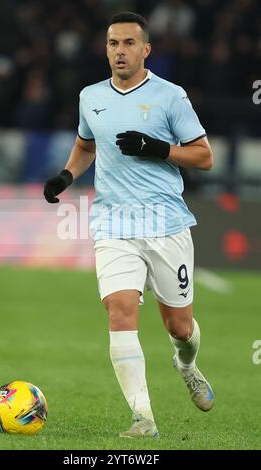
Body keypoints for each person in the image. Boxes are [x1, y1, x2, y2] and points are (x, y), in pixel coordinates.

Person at [44, 11, 214, 439]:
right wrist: (66, 176)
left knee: (180, 327)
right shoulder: (90, 96)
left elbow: (204, 156)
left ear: (146, 50)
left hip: (166, 223)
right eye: (113, 44)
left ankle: (187, 364)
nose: (120, 51)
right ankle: (144, 419)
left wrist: (159, 148)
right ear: (105, 49)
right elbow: (86, 145)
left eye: (129, 43)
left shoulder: (171, 96)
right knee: (120, 313)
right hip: (113, 223)